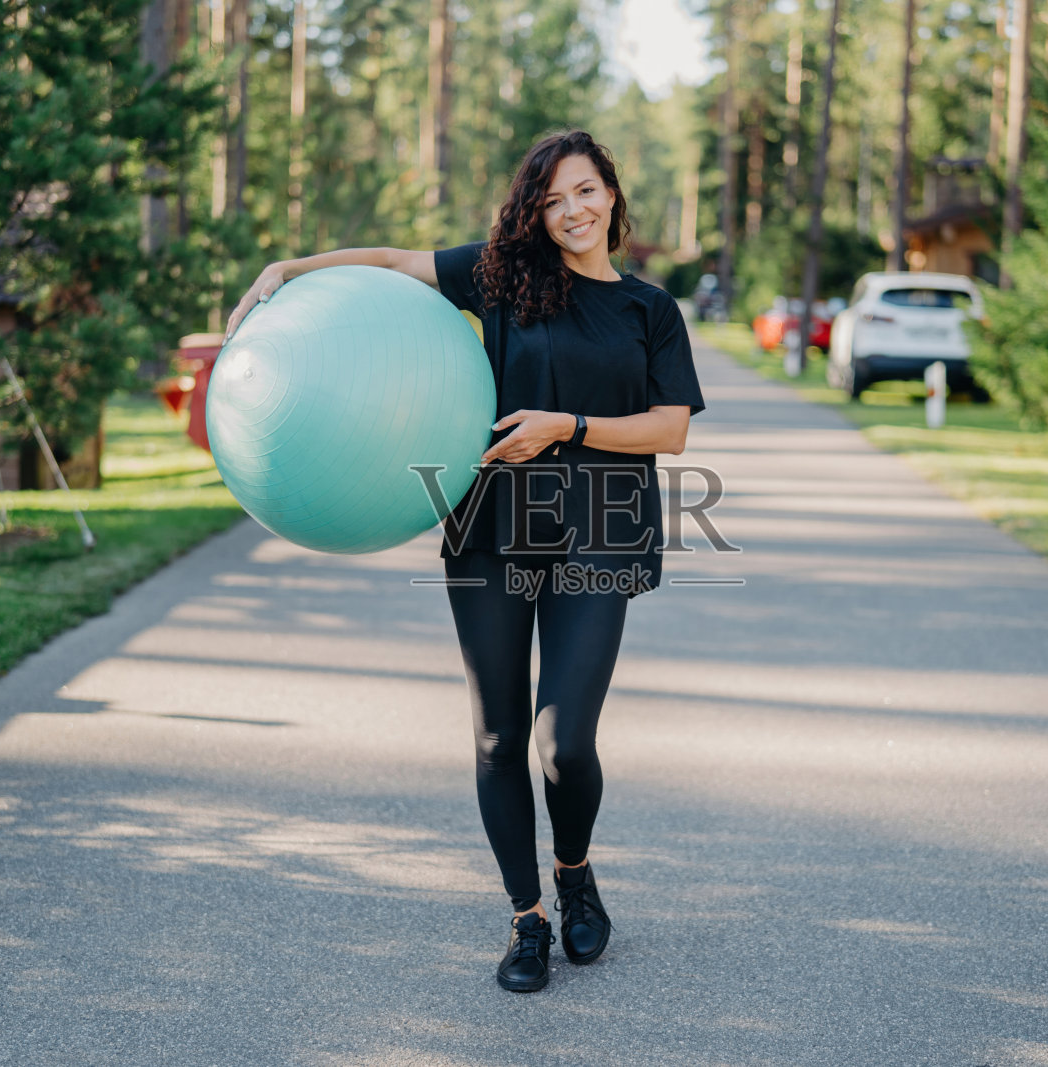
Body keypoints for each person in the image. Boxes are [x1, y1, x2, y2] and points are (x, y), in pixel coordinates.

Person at [225, 129, 706, 993]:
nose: (572, 211)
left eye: (585, 191)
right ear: (536, 211)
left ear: (612, 194)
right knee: (498, 735)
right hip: (491, 525)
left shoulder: (649, 309)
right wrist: (288, 271)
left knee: (564, 742)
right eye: (553, 200)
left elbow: (669, 429)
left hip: (600, 530)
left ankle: (574, 870)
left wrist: (566, 427)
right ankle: (527, 918)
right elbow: (390, 263)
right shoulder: (502, 277)